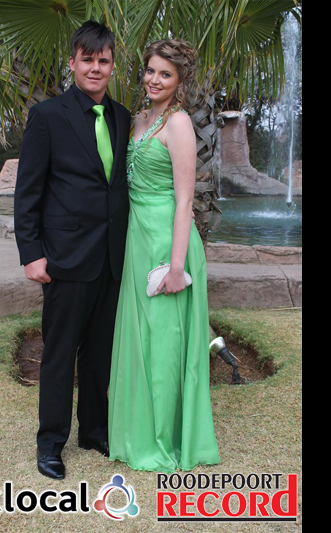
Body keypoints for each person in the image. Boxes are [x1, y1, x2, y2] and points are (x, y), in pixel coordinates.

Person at [14, 20, 131, 481]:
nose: (96, 68)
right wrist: (31, 253)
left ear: (112, 65)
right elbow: (28, 191)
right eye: (88, 60)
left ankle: (94, 431)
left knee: (100, 353)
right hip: (64, 257)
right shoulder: (48, 116)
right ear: (73, 62)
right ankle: (50, 443)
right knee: (60, 354)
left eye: (104, 60)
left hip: (112, 258)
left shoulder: (122, 116)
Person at [107, 39, 221, 473]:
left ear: (179, 81)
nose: (154, 80)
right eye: (151, 70)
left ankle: (164, 438)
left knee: (165, 342)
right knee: (139, 339)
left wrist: (177, 266)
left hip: (168, 242)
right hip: (137, 239)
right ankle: (135, 431)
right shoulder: (138, 119)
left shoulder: (179, 124)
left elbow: (185, 200)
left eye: (165, 74)